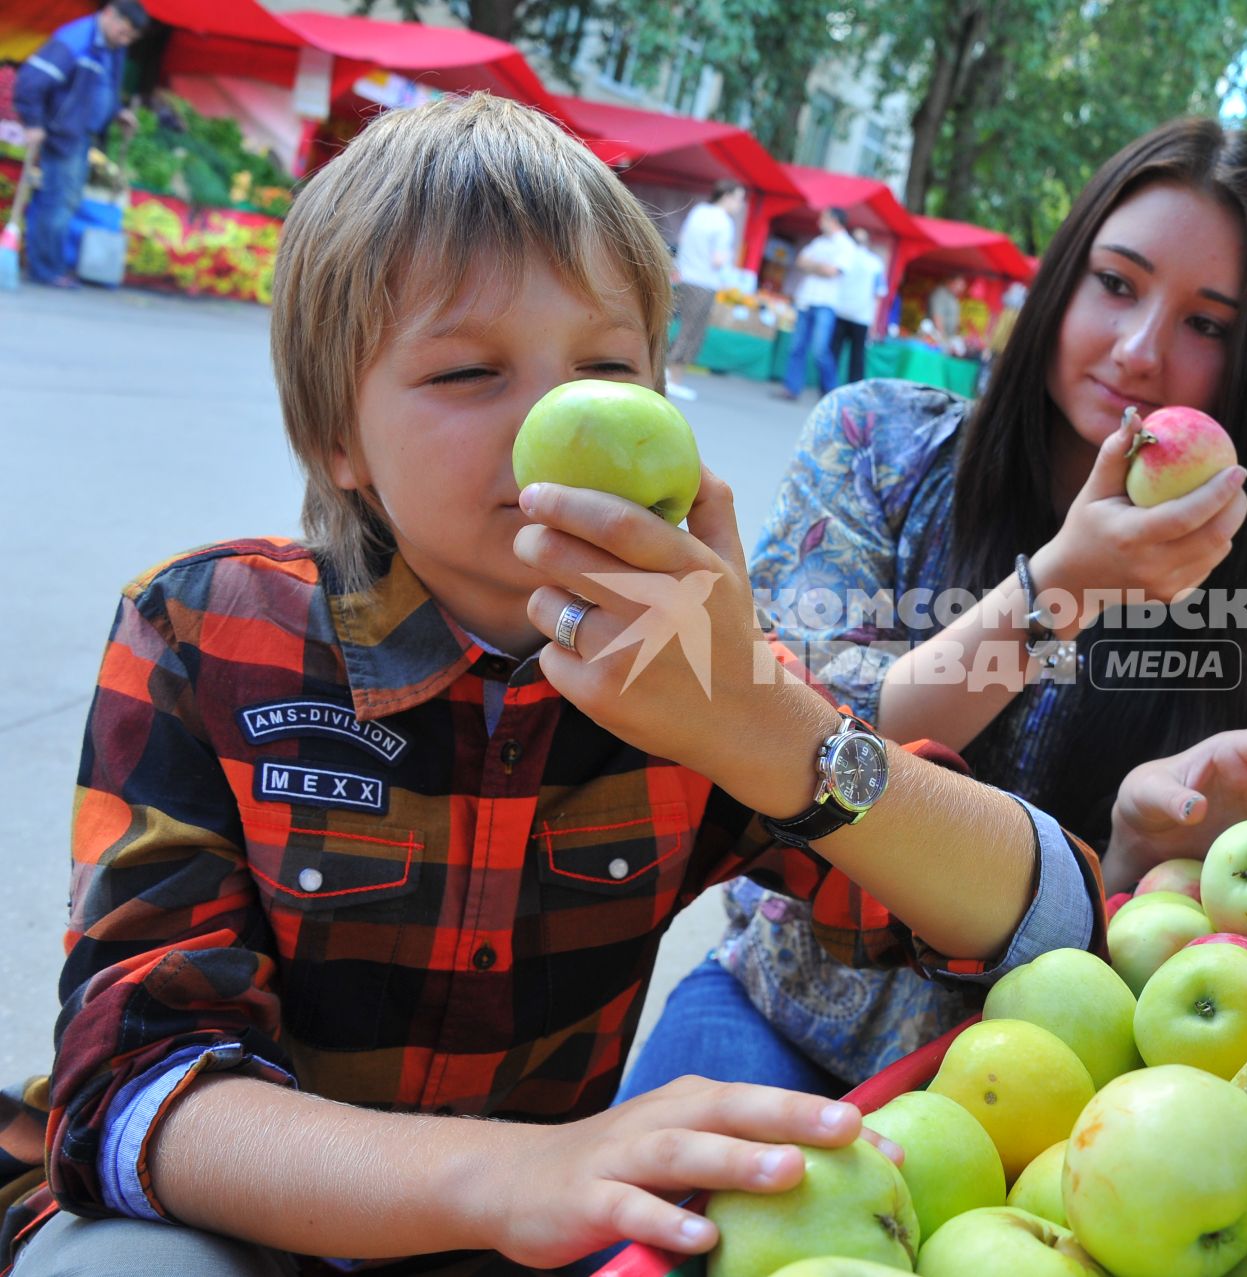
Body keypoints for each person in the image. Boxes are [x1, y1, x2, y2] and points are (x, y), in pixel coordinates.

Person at [3, 94, 1171, 1275]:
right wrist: (514, 1174)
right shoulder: (204, 630)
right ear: (335, 439)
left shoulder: (690, 667)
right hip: (238, 1224)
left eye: (607, 366)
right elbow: (138, 1091)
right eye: (468, 370)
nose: (552, 421)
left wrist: (768, 729)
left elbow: (1048, 915)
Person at [620, 116, 1247, 1096]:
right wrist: (1059, 592)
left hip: (1045, 1080)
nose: (1137, 349)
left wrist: (1141, 836)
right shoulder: (876, 444)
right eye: (1116, 283)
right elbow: (804, 751)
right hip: (786, 1000)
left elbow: (1176, 914)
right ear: (1062, 277)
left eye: (1208, 324)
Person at [11, 0, 147, 288]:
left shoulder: (112, 48)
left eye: (131, 38)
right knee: (58, 201)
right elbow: (30, 82)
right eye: (124, 32)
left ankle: (49, 266)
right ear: (110, 14)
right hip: (62, 134)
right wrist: (34, 124)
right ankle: (46, 269)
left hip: (81, 135)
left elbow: (100, 89)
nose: (125, 41)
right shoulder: (75, 39)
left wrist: (116, 112)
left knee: (66, 199)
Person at [664, 179, 746, 402]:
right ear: (727, 197)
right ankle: (674, 379)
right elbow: (719, 260)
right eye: (739, 199)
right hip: (704, 281)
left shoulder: (699, 211)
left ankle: (667, 373)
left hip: (684, 276)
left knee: (676, 325)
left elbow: (682, 239)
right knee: (692, 332)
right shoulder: (724, 223)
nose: (740, 205)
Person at [774, 207, 854, 400]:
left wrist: (813, 266)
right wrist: (819, 267)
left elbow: (832, 271)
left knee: (820, 350)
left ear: (833, 220)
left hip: (825, 303)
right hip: (806, 300)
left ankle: (831, 391)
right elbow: (801, 261)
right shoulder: (819, 241)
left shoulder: (846, 245)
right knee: (796, 346)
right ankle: (791, 388)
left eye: (824, 218)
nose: (820, 221)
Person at [829, 226, 886, 384]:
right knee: (857, 357)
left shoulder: (843, 258)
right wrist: (874, 323)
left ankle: (828, 387)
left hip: (842, 312)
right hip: (860, 316)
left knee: (835, 352)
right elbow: (879, 294)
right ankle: (854, 390)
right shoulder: (875, 263)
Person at [925, 272, 967, 351]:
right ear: (951, 282)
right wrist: (943, 339)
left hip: (948, 338)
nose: (960, 289)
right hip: (935, 338)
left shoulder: (953, 297)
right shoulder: (940, 294)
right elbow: (937, 316)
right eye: (959, 285)